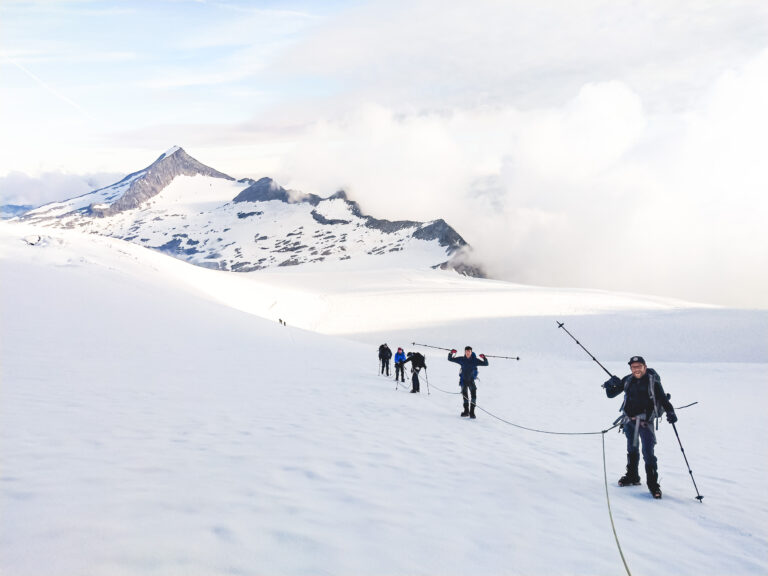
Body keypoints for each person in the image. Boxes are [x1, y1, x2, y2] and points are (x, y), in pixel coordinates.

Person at [604, 355, 677, 499]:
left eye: (638, 366)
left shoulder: (653, 381)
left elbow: (663, 399)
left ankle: (653, 485)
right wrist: (608, 385)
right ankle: (633, 476)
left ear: (644, 366)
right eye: (633, 367)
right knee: (631, 449)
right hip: (629, 421)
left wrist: (671, 413)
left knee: (648, 452)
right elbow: (611, 395)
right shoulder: (628, 380)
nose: (636, 369)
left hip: (645, 423)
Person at [448, 346, 489, 418]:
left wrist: (484, 358)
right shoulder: (461, 359)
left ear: (471, 352)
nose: (467, 353)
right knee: (465, 397)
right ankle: (466, 412)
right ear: (465, 352)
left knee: (473, 396)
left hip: (471, 381)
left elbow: (486, 364)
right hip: (463, 381)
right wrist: (451, 353)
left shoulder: (475, 360)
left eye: (469, 352)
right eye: (466, 352)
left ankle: (472, 413)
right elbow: (450, 359)